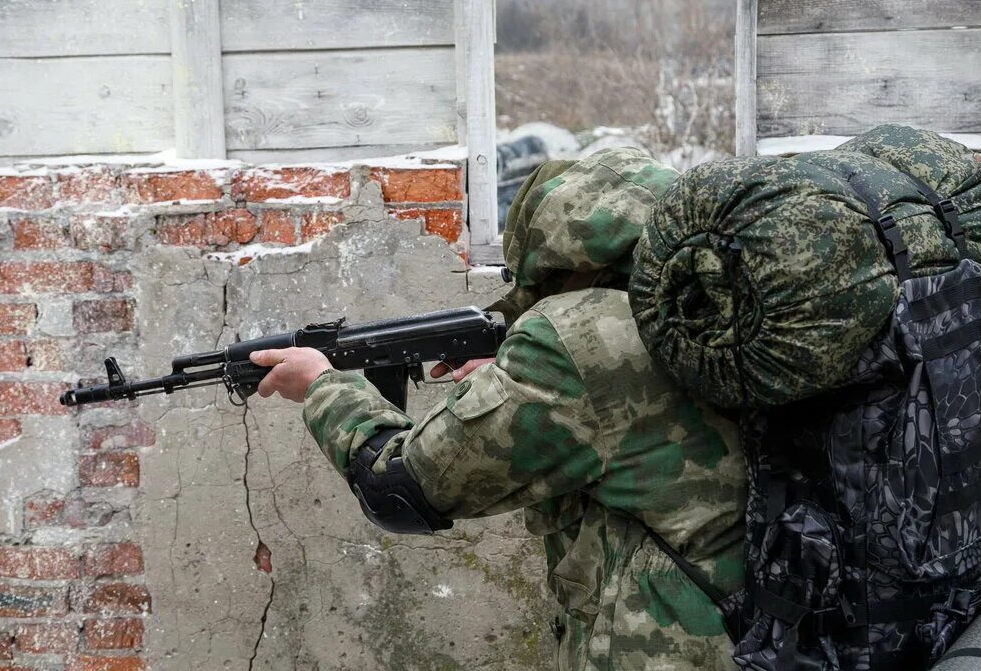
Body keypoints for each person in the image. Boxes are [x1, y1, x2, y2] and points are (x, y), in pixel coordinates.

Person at [251, 149, 747, 670]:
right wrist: (519, 372)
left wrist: (323, 385)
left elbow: (399, 488)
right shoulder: (716, 312)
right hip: (765, 632)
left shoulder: (578, 339)